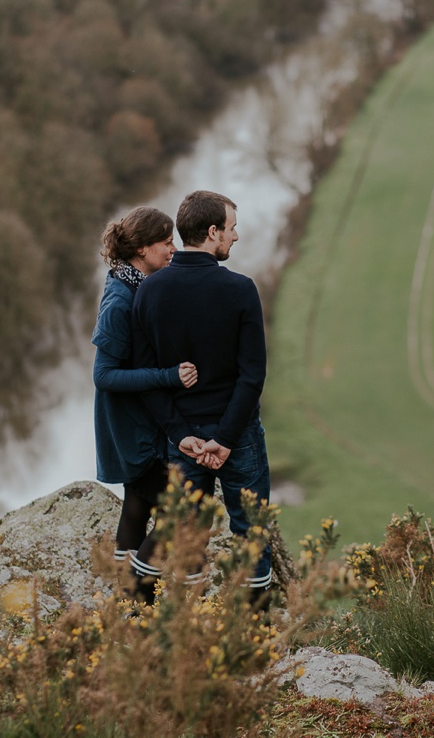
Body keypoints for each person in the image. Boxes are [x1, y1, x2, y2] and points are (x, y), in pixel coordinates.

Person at [131, 190, 273, 603]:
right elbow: (253, 375)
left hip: (186, 438)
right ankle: (254, 635)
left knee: (174, 527)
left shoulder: (150, 292)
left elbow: (148, 378)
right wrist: (226, 439)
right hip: (237, 436)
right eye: (231, 229)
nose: (236, 237)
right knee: (251, 530)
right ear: (212, 232)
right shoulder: (240, 290)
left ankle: (134, 611)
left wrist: (179, 434)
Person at [92, 206, 198, 601]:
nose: (174, 249)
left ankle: (126, 600)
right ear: (140, 248)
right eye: (166, 243)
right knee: (181, 511)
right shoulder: (119, 301)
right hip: (131, 429)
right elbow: (103, 376)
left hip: (142, 423)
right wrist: (167, 375)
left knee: (137, 506)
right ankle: (138, 594)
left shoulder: (137, 285)